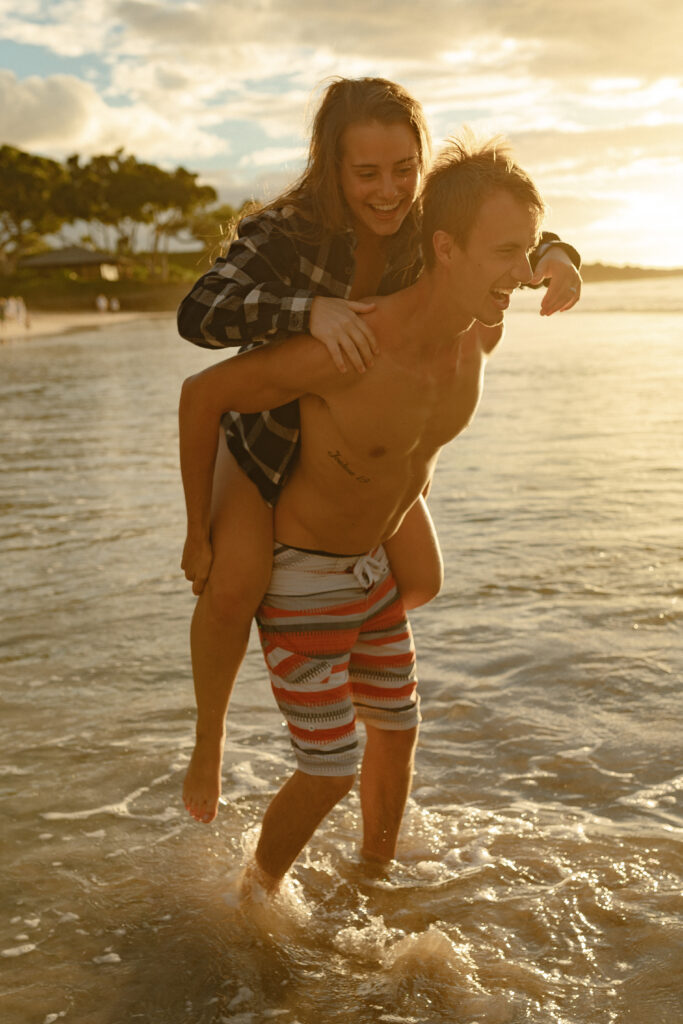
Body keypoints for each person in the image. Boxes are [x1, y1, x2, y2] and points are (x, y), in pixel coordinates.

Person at [177, 77, 582, 827]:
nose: (389, 190)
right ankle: (211, 734)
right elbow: (197, 316)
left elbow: (494, 219)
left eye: (403, 169)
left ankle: (347, 672)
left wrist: (555, 253)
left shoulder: (421, 213)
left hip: (354, 442)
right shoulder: (287, 231)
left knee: (423, 577)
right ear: (331, 167)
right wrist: (307, 309)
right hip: (266, 440)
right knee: (234, 579)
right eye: (366, 173)